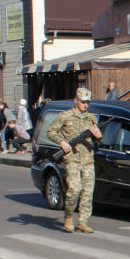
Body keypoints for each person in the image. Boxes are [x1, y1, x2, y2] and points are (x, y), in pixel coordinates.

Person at [48, 87, 102, 234]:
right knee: (74, 189)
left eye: (87, 102)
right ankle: (69, 215)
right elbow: (51, 131)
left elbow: (96, 141)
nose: (85, 105)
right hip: (72, 158)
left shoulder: (92, 118)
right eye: (83, 102)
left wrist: (98, 136)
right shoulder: (65, 116)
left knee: (88, 191)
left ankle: (83, 222)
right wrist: (62, 142)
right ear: (76, 100)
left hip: (87, 159)